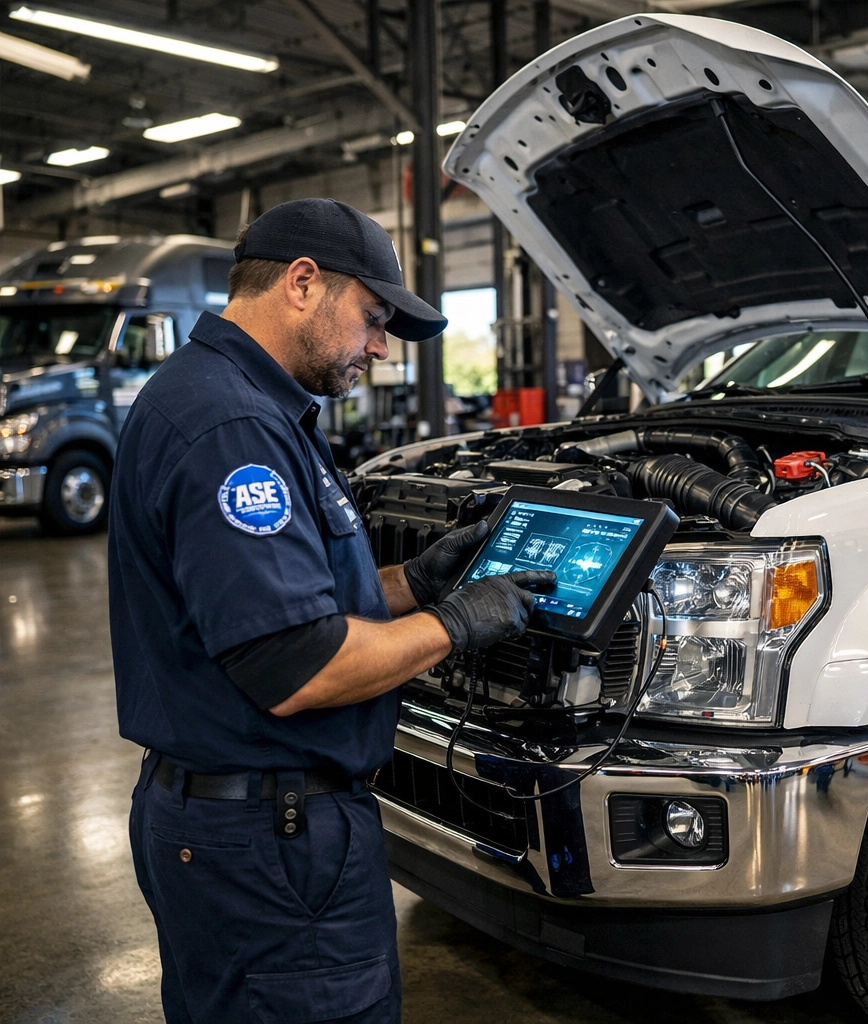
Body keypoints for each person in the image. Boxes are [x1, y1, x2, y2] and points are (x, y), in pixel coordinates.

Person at [108, 198, 552, 1024]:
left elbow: (270, 597)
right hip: (271, 845)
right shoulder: (233, 426)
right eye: (373, 318)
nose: (379, 348)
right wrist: (460, 623)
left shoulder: (234, 400)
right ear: (304, 283)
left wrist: (416, 582)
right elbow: (297, 663)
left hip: (233, 827)